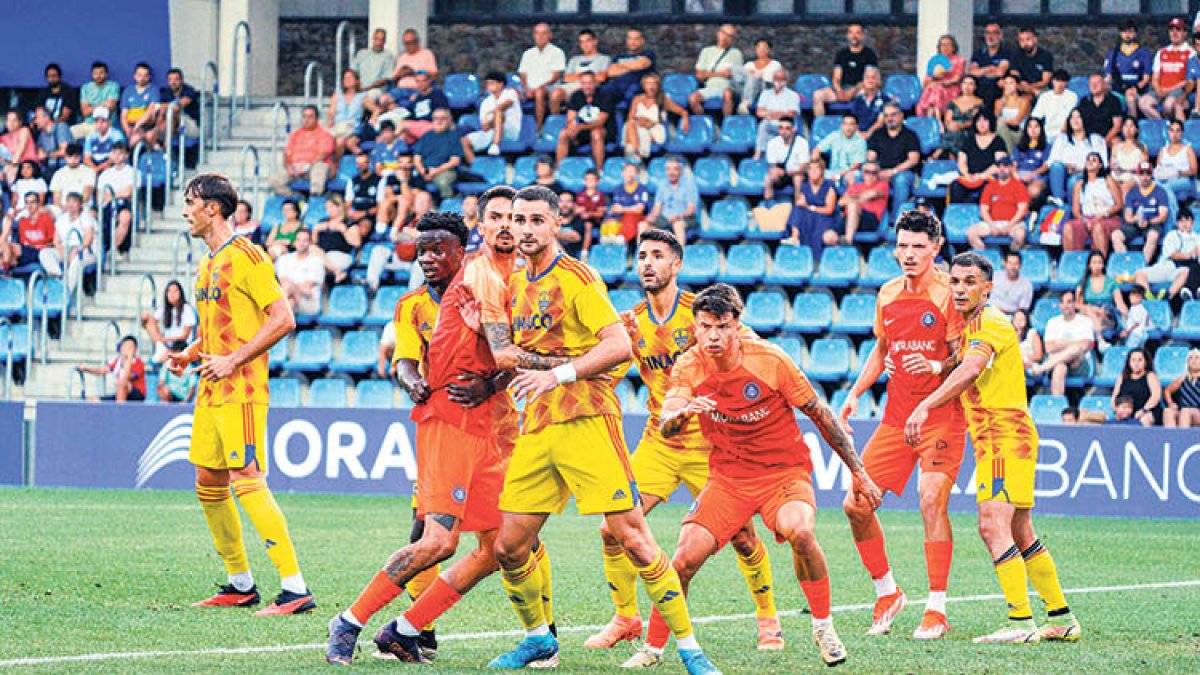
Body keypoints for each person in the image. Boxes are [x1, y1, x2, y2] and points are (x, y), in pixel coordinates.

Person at [476, 186, 719, 674]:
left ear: (556, 223)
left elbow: (618, 348)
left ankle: (691, 650)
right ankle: (537, 638)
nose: (524, 229)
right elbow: (519, 355)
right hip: (539, 426)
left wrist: (555, 374)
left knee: (632, 537)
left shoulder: (577, 280)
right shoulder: (513, 283)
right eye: (518, 221)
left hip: (588, 420)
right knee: (508, 546)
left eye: (536, 221)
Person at [327, 199, 535, 665]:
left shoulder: (487, 286)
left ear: (461, 252)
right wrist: (410, 378)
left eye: (438, 250)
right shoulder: (415, 303)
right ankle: (348, 621)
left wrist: (493, 381)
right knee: (437, 539)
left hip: (490, 429)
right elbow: (404, 358)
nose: (427, 259)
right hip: (446, 421)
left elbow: (504, 354)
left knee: (500, 547)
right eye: (422, 252)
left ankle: (405, 628)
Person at [655, 283, 880, 667]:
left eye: (722, 326)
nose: (712, 335)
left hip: (783, 473)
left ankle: (823, 627)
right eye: (704, 326)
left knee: (802, 531)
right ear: (694, 326)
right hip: (728, 478)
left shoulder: (770, 359)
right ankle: (653, 646)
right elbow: (666, 423)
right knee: (682, 561)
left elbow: (822, 416)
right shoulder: (688, 364)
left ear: (737, 324)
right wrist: (680, 415)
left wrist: (858, 472)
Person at [589, 233, 783, 661]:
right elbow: (607, 376)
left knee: (744, 538)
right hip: (659, 443)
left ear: (676, 265)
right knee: (611, 529)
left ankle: (768, 618)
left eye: (658, 256)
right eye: (641, 256)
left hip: (713, 447)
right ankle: (625, 619)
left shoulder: (705, 314)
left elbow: (754, 349)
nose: (647, 263)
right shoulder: (631, 322)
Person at [904, 251, 1081, 644]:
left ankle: (1020, 622)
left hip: (1003, 438)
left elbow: (970, 369)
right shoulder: (977, 326)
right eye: (955, 281)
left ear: (988, 288)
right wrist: (937, 367)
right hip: (999, 439)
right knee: (1019, 529)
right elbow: (964, 359)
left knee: (991, 526)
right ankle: (1062, 618)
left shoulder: (989, 323)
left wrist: (924, 404)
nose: (961, 289)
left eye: (970, 282)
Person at [166, 173, 313, 615]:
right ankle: (240, 583)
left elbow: (283, 318)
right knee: (208, 481)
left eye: (191, 203)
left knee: (246, 478)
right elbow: (221, 328)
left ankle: (295, 588)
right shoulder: (207, 262)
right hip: (210, 389)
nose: (186, 211)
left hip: (242, 390)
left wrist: (232, 361)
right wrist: (191, 352)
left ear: (213, 208)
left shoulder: (248, 255)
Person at [839, 210, 965, 641]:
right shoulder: (887, 293)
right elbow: (881, 350)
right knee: (856, 503)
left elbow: (962, 358)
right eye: (903, 246)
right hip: (895, 419)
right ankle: (887, 592)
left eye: (918, 247)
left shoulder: (951, 294)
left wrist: (935, 365)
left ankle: (937, 609)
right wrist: (856, 393)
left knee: (931, 500)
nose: (909, 254)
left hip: (941, 417)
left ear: (936, 249)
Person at [1030, 290, 1095, 396]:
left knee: (1076, 350)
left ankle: (1041, 368)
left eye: (1069, 302)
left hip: (1079, 364)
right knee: (1060, 368)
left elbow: (1084, 346)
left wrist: (1060, 343)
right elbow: (1049, 348)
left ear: (1074, 304)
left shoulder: (1085, 321)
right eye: (1063, 302)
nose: (1066, 306)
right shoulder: (1052, 323)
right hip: (1057, 363)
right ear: (1060, 305)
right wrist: (1073, 343)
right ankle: (1058, 405)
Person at [1133, 205, 1200, 303]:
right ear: (1177, 223)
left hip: (1182, 270)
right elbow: (1172, 254)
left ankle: (1166, 297)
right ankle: (1149, 298)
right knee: (1140, 274)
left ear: (1192, 223)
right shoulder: (1172, 235)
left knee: (1186, 272)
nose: (1184, 224)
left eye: (1187, 220)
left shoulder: (1197, 238)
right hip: (1167, 266)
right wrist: (1189, 255)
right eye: (1181, 221)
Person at [867, 103, 921, 220]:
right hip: (880, 172)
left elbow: (913, 159)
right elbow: (871, 157)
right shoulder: (877, 134)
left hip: (902, 172)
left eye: (893, 115)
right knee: (861, 178)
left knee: (901, 181)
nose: (890, 119)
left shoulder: (910, 135)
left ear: (901, 116)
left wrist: (893, 171)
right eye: (886, 116)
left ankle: (895, 222)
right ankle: (871, 220)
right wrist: (876, 172)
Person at [813, 24, 879, 118]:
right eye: (851, 33)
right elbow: (836, 77)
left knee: (866, 93)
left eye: (857, 33)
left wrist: (852, 91)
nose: (854, 36)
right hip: (842, 89)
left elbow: (870, 78)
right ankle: (821, 125)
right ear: (848, 35)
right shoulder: (842, 54)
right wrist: (839, 91)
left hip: (860, 89)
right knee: (818, 95)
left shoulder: (869, 54)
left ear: (862, 36)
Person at [1064, 153, 1124, 254]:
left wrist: (1103, 214)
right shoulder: (1079, 184)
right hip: (1087, 218)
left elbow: (1119, 204)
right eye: (1088, 160)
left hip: (1107, 217)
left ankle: (1099, 263)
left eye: (1094, 160)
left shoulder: (1107, 180)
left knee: (1097, 227)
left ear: (1100, 165)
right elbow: (1076, 210)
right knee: (1068, 227)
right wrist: (1085, 220)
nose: (1090, 162)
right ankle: (1072, 262)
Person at [557, 72, 617, 170]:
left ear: (595, 83)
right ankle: (560, 169)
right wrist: (571, 126)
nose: (587, 86)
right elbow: (570, 117)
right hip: (582, 130)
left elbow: (600, 122)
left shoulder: (605, 96)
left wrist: (580, 127)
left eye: (589, 83)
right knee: (563, 133)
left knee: (596, 133)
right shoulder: (576, 96)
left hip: (603, 130)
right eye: (584, 83)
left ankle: (599, 170)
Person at [968, 156, 1030, 250]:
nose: (1002, 169)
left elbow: (1022, 210)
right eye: (999, 166)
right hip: (993, 223)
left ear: (1011, 168)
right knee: (971, 233)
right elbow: (984, 210)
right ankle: (986, 259)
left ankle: (1010, 259)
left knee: (1020, 235)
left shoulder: (1019, 186)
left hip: (1013, 223)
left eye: (1005, 166)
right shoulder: (989, 186)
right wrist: (992, 226)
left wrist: (1009, 226)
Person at [270, 105, 334, 196]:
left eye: (310, 117)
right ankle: (297, 198)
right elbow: (287, 154)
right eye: (304, 116)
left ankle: (314, 199)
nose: (306, 120)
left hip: (312, 168)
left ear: (317, 119)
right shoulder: (294, 135)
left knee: (320, 167)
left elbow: (323, 154)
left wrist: (306, 166)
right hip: (295, 169)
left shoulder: (324, 135)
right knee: (274, 180)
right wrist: (289, 167)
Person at [1139, 17, 1195, 120]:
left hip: (1179, 90)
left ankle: (1174, 130)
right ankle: (1164, 127)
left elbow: (1189, 81)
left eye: (1178, 30)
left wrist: (1167, 90)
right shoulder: (1162, 52)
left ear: (1185, 33)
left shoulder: (1191, 52)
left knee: (1168, 105)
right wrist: (1158, 89)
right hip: (1160, 90)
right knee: (1143, 103)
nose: (1174, 33)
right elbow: (1155, 77)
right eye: (1171, 30)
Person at [624, 73, 689, 161]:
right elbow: (631, 118)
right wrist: (641, 121)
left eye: (654, 83)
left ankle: (633, 157)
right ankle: (636, 153)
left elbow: (683, 112)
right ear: (644, 86)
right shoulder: (637, 99)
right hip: (638, 126)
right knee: (630, 125)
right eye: (648, 83)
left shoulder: (663, 99)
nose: (651, 86)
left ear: (658, 86)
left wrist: (685, 121)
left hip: (655, 129)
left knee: (632, 132)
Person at [1048, 108, 1108, 202]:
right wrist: (1067, 167)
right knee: (1056, 166)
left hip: (1086, 173)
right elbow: (1052, 161)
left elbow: (1103, 163)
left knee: (1074, 181)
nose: (1075, 120)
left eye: (1078, 117)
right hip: (1064, 173)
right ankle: (1058, 200)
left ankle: (1071, 207)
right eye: (1072, 117)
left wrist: (1081, 169)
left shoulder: (1096, 139)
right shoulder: (1062, 139)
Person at [1114, 161, 1169, 262]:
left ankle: (1142, 264)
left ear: (1152, 175)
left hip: (1153, 223)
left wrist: (1148, 221)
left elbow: (1163, 216)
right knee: (1116, 235)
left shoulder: (1160, 191)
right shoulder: (1132, 192)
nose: (1145, 177)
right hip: (1135, 223)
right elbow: (1127, 216)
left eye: (1147, 173)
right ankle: (1125, 263)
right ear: (1138, 175)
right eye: (1142, 174)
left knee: (1153, 235)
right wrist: (1137, 219)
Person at [42, 191, 97, 289]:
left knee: (76, 261)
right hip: (65, 248)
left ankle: (67, 292)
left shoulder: (86, 218)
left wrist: (77, 250)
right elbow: (56, 241)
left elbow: (88, 240)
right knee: (45, 253)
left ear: (80, 204)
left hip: (84, 251)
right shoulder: (61, 219)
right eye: (69, 202)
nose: (71, 205)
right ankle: (57, 275)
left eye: (74, 202)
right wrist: (62, 251)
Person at [950, 111, 1007, 204]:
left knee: (986, 188)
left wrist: (981, 175)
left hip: (988, 177)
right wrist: (966, 174)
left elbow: (999, 164)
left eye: (985, 120)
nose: (981, 124)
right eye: (978, 121)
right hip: (969, 177)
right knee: (956, 186)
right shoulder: (969, 140)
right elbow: (962, 161)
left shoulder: (998, 141)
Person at [518, 23, 567, 130]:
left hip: (549, 86)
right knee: (509, 93)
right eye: (537, 33)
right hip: (528, 87)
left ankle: (539, 128)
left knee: (539, 93)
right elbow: (522, 74)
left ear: (550, 35)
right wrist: (526, 89)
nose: (540, 36)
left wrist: (538, 88)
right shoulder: (528, 53)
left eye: (544, 33)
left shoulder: (557, 52)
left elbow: (556, 76)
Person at [688, 24, 744, 118]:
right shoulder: (706, 52)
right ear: (718, 34)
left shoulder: (736, 53)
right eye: (724, 34)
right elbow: (699, 75)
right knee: (692, 99)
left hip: (727, 87)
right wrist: (720, 73)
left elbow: (738, 75)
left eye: (729, 36)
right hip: (710, 87)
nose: (725, 37)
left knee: (727, 94)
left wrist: (729, 74)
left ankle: (726, 125)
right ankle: (706, 122)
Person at [464, 72, 522, 162]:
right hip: (491, 132)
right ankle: (475, 169)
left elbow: (503, 106)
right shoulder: (485, 102)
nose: (488, 86)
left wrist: (491, 115)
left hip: (510, 131)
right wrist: (492, 121)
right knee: (464, 142)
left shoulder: (510, 92)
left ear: (501, 84)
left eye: (492, 83)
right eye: (487, 83)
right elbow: (485, 127)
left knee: (499, 113)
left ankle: (495, 145)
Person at [786, 159, 839, 256]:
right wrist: (803, 204)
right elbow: (800, 202)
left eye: (816, 169)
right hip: (809, 217)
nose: (813, 172)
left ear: (822, 171)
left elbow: (829, 209)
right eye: (810, 169)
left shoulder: (829, 186)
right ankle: (795, 237)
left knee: (826, 234)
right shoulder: (805, 187)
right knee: (798, 209)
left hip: (825, 218)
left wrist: (810, 207)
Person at [550, 29, 611, 114]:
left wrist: (578, 76)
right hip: (572, 86)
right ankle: (556, 120)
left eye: (588, 41)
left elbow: (602, 77)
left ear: (595, 41)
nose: (585, 45)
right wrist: (587, 75)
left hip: (591, 86)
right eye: (582, 42)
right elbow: (567, 78)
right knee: (555, 94)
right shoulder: (574, 60)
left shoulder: (604, 59)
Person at [643, 156, 699, 245]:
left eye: (675, 169)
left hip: (684, 217)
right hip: (665, 217)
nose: (671, 172)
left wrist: (678, 216)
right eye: (668, 169)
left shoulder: (689, 185)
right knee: (643, 225)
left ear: (680, 171)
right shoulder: (662, 184)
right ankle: (643, 254)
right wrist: (652, 216)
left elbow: (691, 209)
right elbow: (657, 207)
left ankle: (680, 255)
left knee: (677, 224)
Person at [139, 280, 198, 364]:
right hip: (166, 343)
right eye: (169, 291)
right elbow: (149, 321)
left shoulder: (186, 309)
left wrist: (163, 339)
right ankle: (161, 349)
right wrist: (157, 336)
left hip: (181, 345)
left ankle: (166, 353)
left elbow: (184, 336)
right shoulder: (165, 308)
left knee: (165, 358)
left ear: (180, 293)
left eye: (175, 291)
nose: (172, 294)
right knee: (147, 318)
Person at [1105, 20, 1153, 119]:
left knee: (1130, 97)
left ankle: (1132, 124)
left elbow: (1146, 78)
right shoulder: (1114, 53)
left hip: (1137, 91)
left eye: (1130, 32)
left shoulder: (1143, 53)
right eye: (1124, 32)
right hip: (1118, 90)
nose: (1127, 35)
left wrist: (1135, 88)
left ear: (1135, 33)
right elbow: (1108, 76)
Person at [413, 109, 463, 199]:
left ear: (449, 121)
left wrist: (436, 170)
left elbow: (455, 161)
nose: (439, 121)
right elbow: (417, 159)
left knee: (443, 182)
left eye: (443, 118)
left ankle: (447, 206)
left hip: (445, 171)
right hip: (425, 171)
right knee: (410, 185)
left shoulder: (453, 137)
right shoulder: (426, 136)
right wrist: (423, 172)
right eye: (436, 118)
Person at [1, 192, 56, 273]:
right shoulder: (23, 222)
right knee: (5, 249)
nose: (29, 206)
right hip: (25, 251)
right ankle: (6, 271)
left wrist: (41, 246)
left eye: (32, 202)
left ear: (38, 204)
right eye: (27, 202)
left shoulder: (46, 219)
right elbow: (24, 243)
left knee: (5, 244)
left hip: (40, 251)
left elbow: (53, 243)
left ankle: (6, 271)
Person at [96, 142, 136, 255]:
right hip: (107, 205)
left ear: (126, 155)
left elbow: (128, 192)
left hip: (124, 204)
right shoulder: (105, 174)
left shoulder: (132, 172)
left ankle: (112, 249)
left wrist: (111, 195)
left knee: (125, 217)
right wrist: (118, 193)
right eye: (114, 153)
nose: (117, 156)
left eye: (120, 153)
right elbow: (100, 197)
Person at [80, 335, 146, 402]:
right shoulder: (117, 361)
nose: (128, 349)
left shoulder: (138, 362)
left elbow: (126, 377)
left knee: (121, 383)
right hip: (121, 393)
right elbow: (101, 371)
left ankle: (119, 410)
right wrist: (86, 369)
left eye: (130, 347)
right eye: (126, 346)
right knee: (93, 400)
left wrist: (129, 358)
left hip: (136, 394)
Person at [312, 194, 361, 282]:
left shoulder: (349, 223)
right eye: (327, 208)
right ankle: (337, 272)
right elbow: (314, 243)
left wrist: (344, 230)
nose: (329, 210)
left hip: (341, 255)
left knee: (316, 264)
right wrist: (315, 231)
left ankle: (335, 272)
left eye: (331, 207)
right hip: (323, 255)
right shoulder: (322, 222)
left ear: (339, 207)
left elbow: (356, 243)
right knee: (313, 255)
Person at [1076, 250, 1126, 335]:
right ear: (1089, 265)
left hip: (1106, 315)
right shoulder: (1083, 282)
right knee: (1088, 311)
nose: (1097, 266)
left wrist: (1124, 317)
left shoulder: (1111, 282)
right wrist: (1095, 310)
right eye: (1094, 263)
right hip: (1089, 314)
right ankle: (1099, 338)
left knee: (1101, 314)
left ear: (1103, 265)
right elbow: (1078, 305)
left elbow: (1120, 304)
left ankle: (1098, 336)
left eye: (1099, 263)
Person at [917, 34, 966, 118]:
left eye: (948, 45)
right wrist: (933, 77)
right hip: (933, 89)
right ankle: (930, 118)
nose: (945, 47)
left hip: (950, 88)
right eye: (942, 45)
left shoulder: (959, 60)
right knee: (932, 90)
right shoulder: (935, 60)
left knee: (937, 90)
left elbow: (956, 79)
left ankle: (937, 119)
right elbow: (925, 82)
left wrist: (941, 82)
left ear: (953, 47)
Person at [755, 68, 800, 158]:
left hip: (786, 124)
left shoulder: (793, 95)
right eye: (776, 79)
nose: (778, 82)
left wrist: (769, 114)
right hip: (770, 124)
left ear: (786, 80)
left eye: (781, 79)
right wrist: (780, 113)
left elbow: (790, 114)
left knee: (783, 126)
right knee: (763, 125)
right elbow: (759, 112)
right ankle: (759, 153)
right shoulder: (765, 94)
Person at [839, 160, 888, 243]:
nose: (870, 175)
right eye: (867, 172)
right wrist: (861, 197)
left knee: (853, 205)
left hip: (870, 220)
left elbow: (873, 194)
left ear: (878, 174)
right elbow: (841, 202)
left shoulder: (882, 185)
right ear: (862, 173)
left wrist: (852, 198)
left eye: (874, 172)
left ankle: (848, 241)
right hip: (848, 219)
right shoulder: (855, 186)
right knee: (828, 235)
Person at [968, 23, 1015, 107]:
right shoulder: (979, 53)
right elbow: (972, 72)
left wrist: (981, 71)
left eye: (994, 33)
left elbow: (1000, 72)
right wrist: (990, 68)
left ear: (1000, 36)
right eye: (988, 33)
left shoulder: (1006, 53)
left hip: (996, 88)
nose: (990, 37)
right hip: (979, 87)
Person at [1113, 347, 1162, 426]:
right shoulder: (1122, 377)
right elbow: (1115, 396)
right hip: (1126, 411)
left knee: (1145, 420)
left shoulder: (1150, 376)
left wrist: (1143, 410)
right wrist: (1118, 410)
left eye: (1140, 360)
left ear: (1145, 362)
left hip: (1148, 411)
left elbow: (1156, 396)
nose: (1136, 363)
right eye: (1133, 360)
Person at [605, 28, 656, 104]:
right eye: (630, 38)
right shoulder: (619, 57)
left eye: (636, 39)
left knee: (632, 91)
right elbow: (611, 72)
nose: (633, 42)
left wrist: (621, 66)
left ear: (642, 41)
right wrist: (632, 66)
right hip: (617, 86)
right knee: (604, 91)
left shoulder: (648, 54)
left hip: (637, 86)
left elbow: (641, 64)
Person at [814, 114, 867, 186]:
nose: (848, 127)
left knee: (851, 177)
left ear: (856, 127)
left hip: (850, 171)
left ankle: (850, 197)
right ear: (841, 126)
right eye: (845, 124)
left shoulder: (860, 140)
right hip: (833, 171)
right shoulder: (835, 136)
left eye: (851, 124)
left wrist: (839, 175)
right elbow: (817, 150)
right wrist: (817, 166)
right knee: (815, 174)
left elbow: (856, 165)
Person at [763, 118, 808, 202]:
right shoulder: (772, 143)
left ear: (793, 129)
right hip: (782, 174)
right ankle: (769, 204)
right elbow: (773, 165)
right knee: (768, 177)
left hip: (797, 173)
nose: (783, 131)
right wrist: (775, 171)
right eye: (781, 128)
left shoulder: (802, 143)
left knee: (798, 179)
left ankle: (798, 204)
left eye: (787, 128)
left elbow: (803, 167)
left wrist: (788, 172)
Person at [72, 61, 120, 139]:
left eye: (101, 73)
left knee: (96, 132)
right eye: (95, 73)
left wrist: (92, 107)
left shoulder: (113, 86)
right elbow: (85, 112)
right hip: (88, 124)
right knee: (70, 132)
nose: (98, 76)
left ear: (106, 74)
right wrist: (102, 104)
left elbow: (111, 107)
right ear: (92, 75)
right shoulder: (85, 88)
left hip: (106, 124)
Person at [120, 62, 162, 150]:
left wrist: (137, 126)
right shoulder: (128, 91)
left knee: (135, 140)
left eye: (145, 75)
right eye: (139, 75)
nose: (142, 78)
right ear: (134, 76)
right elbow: (123, 114)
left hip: (145, 125)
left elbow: (151, 111)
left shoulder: (153, 90)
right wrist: (127, 130)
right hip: (130, 125)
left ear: (149, 77)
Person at [328, 69, 366, 163]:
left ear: (356, 80)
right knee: (338, 140)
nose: (347, 80)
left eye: (350, 77)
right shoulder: (338, 94)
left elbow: (376, 109)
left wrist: (374, 117)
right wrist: (330, 120)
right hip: (339, 126)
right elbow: (331, 111)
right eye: (345, 78)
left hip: (353, 128)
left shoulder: (361, 97)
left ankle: (337, 164)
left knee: (346, 142)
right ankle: (337, 163)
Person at [400, 71, 449, 144]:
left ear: (429, 81)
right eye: (418, 82)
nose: (420, 84)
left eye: (423, 81)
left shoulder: (437, 94)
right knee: (402, 136)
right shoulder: (417, 98)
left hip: (432, 126)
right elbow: (411, 115)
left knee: (404, 125)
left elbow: (442, 113)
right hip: (417, 126)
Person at [941, 75, 983, 159]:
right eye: (964, 83)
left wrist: (961, 125)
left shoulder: (979, 102)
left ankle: (941, 152)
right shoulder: (953, 102)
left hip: (970, 130)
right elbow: (947, 120)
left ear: (975, 87)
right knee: (952, 132)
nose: (967, 86)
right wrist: (951, 125)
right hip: (953, 130)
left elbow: (976, 120)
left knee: (958, 134)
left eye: (970, 84)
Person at [1154, 120, 1197, 202]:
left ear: (1182, 133)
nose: (1174, 134)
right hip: (1164, 178)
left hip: (1182, 179)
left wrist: (1178, 173)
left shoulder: (1188, 149)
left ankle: (1172, 213)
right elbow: (1158, 169)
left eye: (1178, 131)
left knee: (1165, 188)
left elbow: (1194, 170)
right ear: (1168, 132)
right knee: (1152, 186)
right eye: (1172, 130)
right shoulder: (1163, 150)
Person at [610, 161, 653, 243]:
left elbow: (640, 210)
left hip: (638, 218)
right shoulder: (618, 189)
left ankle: (622, 237)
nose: (630, 174)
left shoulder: (642, 189)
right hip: (621, 218)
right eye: (627, 171)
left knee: (631, 216)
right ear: (623, 173)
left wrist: (623, 209)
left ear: (637, 174)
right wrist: (631, 208)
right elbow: (615, 209)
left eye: (632, 171)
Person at [1030, 70, 1076, 143]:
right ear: (1053, 81)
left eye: (1063, 81)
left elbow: (1068, 118)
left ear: (1067, 83)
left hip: (1064, 135)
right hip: (1046, 134)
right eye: (1057, 80)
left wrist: (1061, 136)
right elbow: (1035, 116)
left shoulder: (1072, 96)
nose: (1060, 84)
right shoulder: (1045, 96)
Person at [1013, 117, 1050, 204]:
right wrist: (1016, 176)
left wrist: (1032, 175)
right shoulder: (1019, 147)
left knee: (1034, 191)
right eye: (1030, 127)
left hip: (1037, 176)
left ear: (1041, 129)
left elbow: (1045, 166)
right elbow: (1014, 165)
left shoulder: (1046, 146)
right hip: (1020, 175)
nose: (1033, 130)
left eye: (1036, 127)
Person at [741, 38, 783, 115]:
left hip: (767, 88)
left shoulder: (775, 64)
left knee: (754, 78)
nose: (761, 50)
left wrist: (757, 75)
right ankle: (744, 103)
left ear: (769, 50)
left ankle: (746, 103)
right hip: (749, 88)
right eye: (759, 48)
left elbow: (774, 81)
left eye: (764, 48)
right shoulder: (749, 65)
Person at [345, 151, 382, 238]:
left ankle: (358, 249)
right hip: (354, 214)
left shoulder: (379, 180)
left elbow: (381, 206)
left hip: (369, 215)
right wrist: (350, 212)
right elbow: (347, 203)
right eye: (358, 163)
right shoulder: (353, 180)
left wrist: (364, 213)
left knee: (362, 229)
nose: (360, 166)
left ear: (369, 163)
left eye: (363, 163)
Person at [353, 28, 397, 100]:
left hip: (376, 90)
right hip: (359, 87)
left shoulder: (388, 56)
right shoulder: (362, 53)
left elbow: (385, 80)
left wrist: (366, 88)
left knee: (370, 95)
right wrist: (356, 86)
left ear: (385, 41)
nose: (379, 43)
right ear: (373, 39)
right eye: (377, 39)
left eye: (381, 40)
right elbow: (353, 73)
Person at [392, 29, 439, 95]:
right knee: (384, 99)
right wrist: (400, 74)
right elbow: (394, 78)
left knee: (411, 101)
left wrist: (414, 71)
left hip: (418, 89)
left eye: (410, 43)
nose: (408, 46)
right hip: (401, 89)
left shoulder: (427, 53)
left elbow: (434, 73)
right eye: (406, 43)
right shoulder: (402, 57)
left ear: (417, 42)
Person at [849, 67, 892, 139]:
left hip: (878, 137)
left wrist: (868, 134)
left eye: (873, 77)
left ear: (879, 81)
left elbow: (880, 122)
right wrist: (858, 134)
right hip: (857, 136)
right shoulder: (858, 99)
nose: (870, 80)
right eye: (867, 77)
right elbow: (852, 119)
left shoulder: (886, 100)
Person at [1110, 116, 1149, 192]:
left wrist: (1127, 170)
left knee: (1125, 187)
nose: (1128, 129)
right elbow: (1112, 164)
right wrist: (1114, 168)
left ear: (1136, 130)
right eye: (1126, 126)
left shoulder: (1142, 147)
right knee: (1110, 185)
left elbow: (1143, 168)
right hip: (1117, 176)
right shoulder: (1116, 146)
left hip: (1133, 177)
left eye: (1131, 126)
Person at [1013, 26, 1054, 97]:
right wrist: (1021, 85)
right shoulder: (1016, 55)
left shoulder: (1046, 56)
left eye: (1028, 39)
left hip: (1040, 88)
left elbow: (1045, 81)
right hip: (1021, 88)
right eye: (1021, 40)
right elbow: (1014, 76)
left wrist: (1030, 87)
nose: (1025, 43)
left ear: (1035, 39)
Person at [1163, 348, 1200, 427]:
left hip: (1197, 413)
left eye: (1197, 358)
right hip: (1183, 410)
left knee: (1186, 411)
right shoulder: (1182, 379)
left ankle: (1183, 438)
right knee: (1168, 411)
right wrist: (1171, 403)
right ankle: (1171, 438)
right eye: (1191, 358)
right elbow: (1167, 391)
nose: (1194, 360)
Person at [993, 71, 1030, 151]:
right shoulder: (999, 101)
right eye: (1006, 83)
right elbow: (996, 115)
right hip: (1003, 131)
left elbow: (1017, 121)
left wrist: (1003, 121)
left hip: (1019, 132)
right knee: (999, 128)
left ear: (1017, 85)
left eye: (1011, 83)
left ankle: (1010, 155)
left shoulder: (1024, 101)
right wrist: (1004, 98)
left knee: (1000, 126)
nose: (1008, 86)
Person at [82, 107, 126, 172]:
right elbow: (87, 158)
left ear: (109, 122)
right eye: (97, 121)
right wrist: (94, 169)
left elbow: (116, 157)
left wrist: (98, 169)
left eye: (103, 121)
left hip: (111, 167)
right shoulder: (91, 136)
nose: (99, 125)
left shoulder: (117, 135)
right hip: (94, 167)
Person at [161, 68, 201, 139]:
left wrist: (165, 106)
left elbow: (177, 107)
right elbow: (161, 108)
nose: (173, 82)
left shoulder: (189, 90)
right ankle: (163, 144)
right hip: (173, 125)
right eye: (170, 80)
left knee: (173, 114)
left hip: (191, 127)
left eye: (176, 79)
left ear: (182, 80)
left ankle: (166, 145)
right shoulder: (167, 92)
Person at [991, 251, 1034, 315]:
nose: (1012, 267)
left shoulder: (1027, 285)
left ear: (1020, 265)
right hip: (990, 313)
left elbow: (1023, 309)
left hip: (1011, 316)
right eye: (1010, 263)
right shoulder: (994, 277)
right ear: (1004, 264)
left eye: (1016, 263)